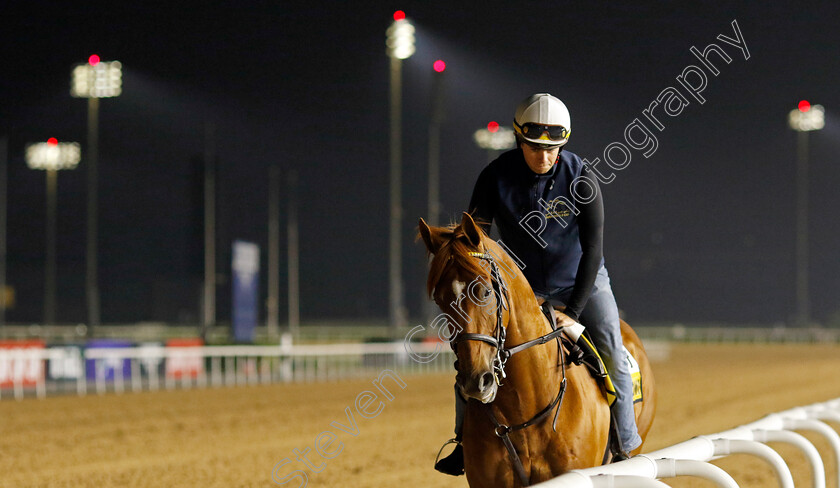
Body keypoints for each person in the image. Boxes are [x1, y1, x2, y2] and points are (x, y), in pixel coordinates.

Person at [434, 93, 641, 476]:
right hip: (522, 287)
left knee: (611, 341)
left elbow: (593, 251)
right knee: (474, 351)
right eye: (534, 148)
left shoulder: (582, 176)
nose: (544, 157)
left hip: (582, 282)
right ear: (519, 139)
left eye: (552, 149)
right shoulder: (494, 176)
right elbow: (475, 239)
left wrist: (573, 313)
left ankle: (625, 443)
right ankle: (464, 442)